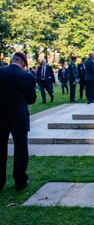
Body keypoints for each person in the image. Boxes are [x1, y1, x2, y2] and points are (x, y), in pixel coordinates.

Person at [0, 52, 36, 191]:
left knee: (1, 149)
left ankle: (0, 180)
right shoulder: (28, 77)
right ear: (24, 64)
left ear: (11, 61)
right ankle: (20, 180)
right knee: (21, 149)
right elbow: (31, 99)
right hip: (19, 116)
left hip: (1, 115)